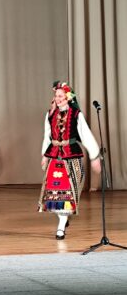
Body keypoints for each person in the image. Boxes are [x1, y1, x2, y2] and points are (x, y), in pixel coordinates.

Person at [38, 81, 100, 240]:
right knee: (55, 192)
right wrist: (44, 155)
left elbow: (85, 135)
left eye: (61, 96)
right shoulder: (50, 114)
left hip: (71, 157)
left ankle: (61, 226)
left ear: (68, 97)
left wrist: (94, 157)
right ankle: (63, 219)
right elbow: (47, 136)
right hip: (54, 156)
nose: (57, 99)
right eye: (56, 96)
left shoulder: (76, 114)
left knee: (68, 192)